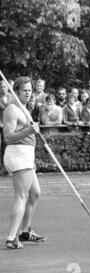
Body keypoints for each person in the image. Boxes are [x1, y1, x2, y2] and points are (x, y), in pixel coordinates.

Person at [2, 76, 46, 249]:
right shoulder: (12, 110)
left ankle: (25, 231)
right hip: (18, 155)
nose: (28, 93)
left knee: (35, 193)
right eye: (24, 90)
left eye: (30, 90)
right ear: (17, 90)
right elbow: (8, 137)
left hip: (26, 156)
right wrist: (29, 129)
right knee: (22, 197)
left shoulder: (25, 109)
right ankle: (12, 238)